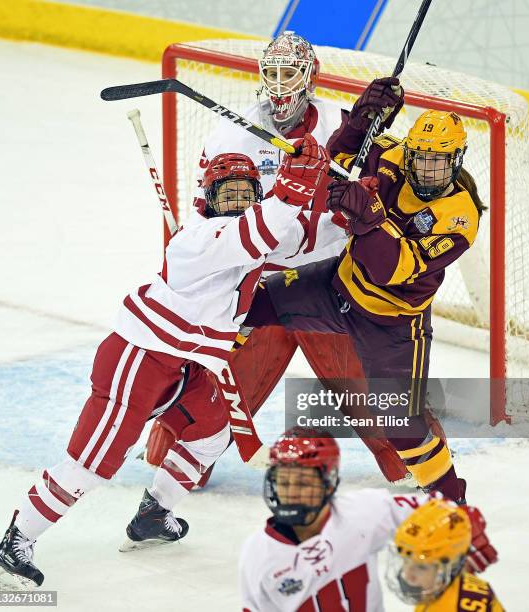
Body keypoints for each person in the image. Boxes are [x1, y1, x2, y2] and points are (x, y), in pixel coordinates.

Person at [0, 142, 332, 589]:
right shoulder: (199, 240)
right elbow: (261, 232)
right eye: (228, 195)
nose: (239, 204)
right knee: (91, 464)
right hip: (137, 361)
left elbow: (304, 237)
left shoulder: (248, 236)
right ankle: (17, 540)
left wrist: (349, 207)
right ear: (208, 200)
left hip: (182, 367)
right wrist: (294, 183)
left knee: (212, 433)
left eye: (247, 195)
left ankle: (154, 513)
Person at [145, 31, 409, 485]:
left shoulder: (336, 123)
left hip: (328, 277)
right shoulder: (232, 134)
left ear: (309, 79)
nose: (280, 85)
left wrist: (375, 121)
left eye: (291, 74)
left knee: (364, 387)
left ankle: (413, 460)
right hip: (259, 281)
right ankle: (180, 454)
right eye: (273, 73)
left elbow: (381, 179)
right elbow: (210, 218)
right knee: (224, 394)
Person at [244, 77, 487, 503]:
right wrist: (362, 120)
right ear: (409, 152)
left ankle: (452, 501)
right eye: (422, 159)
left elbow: (390, 269)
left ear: (457, 160)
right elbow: (338, 160)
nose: (428, 170)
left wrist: (366, 212)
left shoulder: (459, 216)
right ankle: (180, 386)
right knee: (247, 303)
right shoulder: (392, 156)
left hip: (392, 325)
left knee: (401, 424)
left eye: (439, 162)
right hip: (338, 285)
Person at [239, 428, 496, 611]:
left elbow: (441, 510)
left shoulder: (364, 511)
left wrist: (465, 527)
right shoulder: (258, 554)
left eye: (303, 482)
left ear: (328, 483)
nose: (290, 491)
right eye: (283, 481)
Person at [386, 499, 502, 610]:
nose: (407, 574)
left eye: (421, 567)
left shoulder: (455, 607)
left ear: (452, 566)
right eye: (406, 560)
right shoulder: (439, 590)